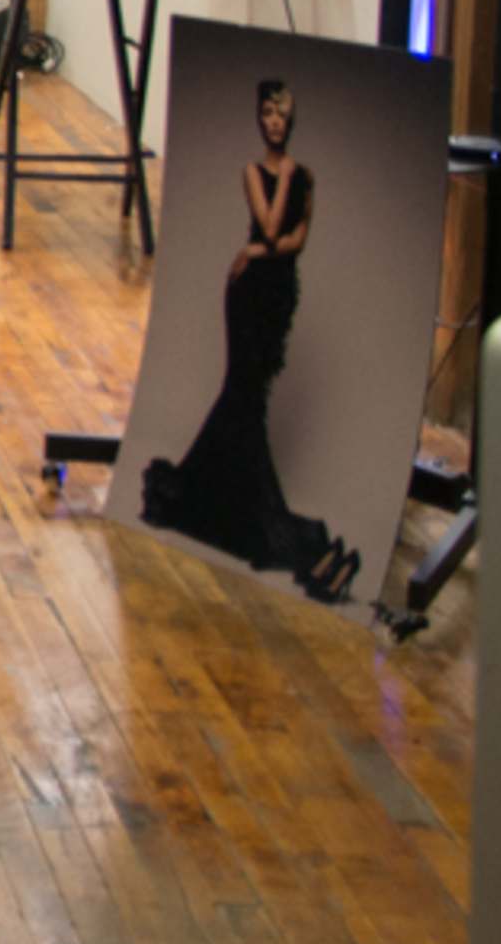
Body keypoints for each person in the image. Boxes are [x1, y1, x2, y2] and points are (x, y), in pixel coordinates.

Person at [141, 80, 365, 604]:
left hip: (278, 292)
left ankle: (198, 491)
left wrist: (262, 249)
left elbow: (293, 241)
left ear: (292, 119)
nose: (273, 121)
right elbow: (268, 226)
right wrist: (279, 190)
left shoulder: (305, 176)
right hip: (244, 294)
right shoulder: (257, 173)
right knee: (244, 396)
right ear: (259, 118)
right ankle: (280, 532)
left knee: (246, 397)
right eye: (266, 111)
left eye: (282, 113)